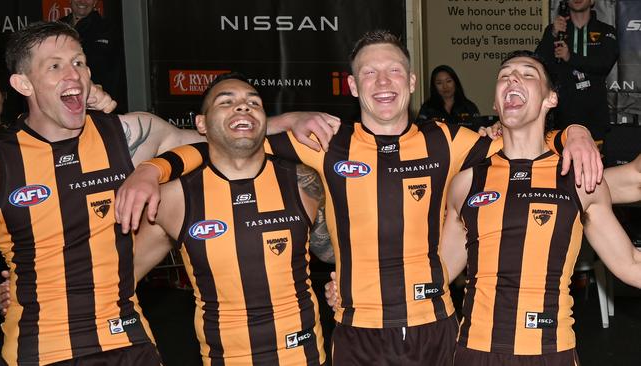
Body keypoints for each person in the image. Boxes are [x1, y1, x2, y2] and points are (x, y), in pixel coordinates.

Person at [115, 30, 601, 365]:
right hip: (356, 333)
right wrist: (150, 169)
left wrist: (573, 133)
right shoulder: (324, 140)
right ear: (352, 86)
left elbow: (525, 144)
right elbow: (224, 144)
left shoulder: (449, 141)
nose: (383, 82)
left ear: (412, 83)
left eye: (394, 72)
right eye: (369, 74)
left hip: (436, 329)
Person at [0, 21, 337, 365]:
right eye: (55, 66)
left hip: (128, 340)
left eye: (79, 63)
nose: (74, 74)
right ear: (23, 83)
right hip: (41, 349)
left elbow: (221, 139)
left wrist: (291, 119)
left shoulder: (127, 137)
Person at [440, 50, 641, 365]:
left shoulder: (578, 177)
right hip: (475, 351)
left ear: (551, 99)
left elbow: (631, 264)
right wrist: (353, 287)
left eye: (527, 73)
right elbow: (438, 270)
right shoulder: (466, 182)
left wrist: (578, 130)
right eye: (504, 75)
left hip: (551, 351)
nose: (513, 79)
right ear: (495, 103)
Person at [133, 72, 334, 365]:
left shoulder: (304, 184)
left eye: (254, 102)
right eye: (226, 102)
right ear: (200, 123)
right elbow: (115, 282)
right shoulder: (172, 199)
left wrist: (345, 283)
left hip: (306, 357)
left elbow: (333, 253)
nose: (243, 107)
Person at [535, 0, 618, 141]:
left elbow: (604, 64)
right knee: (562, 162)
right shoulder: (554, 31)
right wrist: (552, 35)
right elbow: (538, 64)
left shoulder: (606, 31)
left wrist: (570, 57)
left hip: (594, 117)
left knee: (594, 161)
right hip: (561, 116)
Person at [59, 0, 122, 105]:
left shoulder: (109, 29)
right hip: (63, 99)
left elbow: (116, 73)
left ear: (95, 2)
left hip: (97, 102)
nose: (82, 1)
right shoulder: (57, 28)